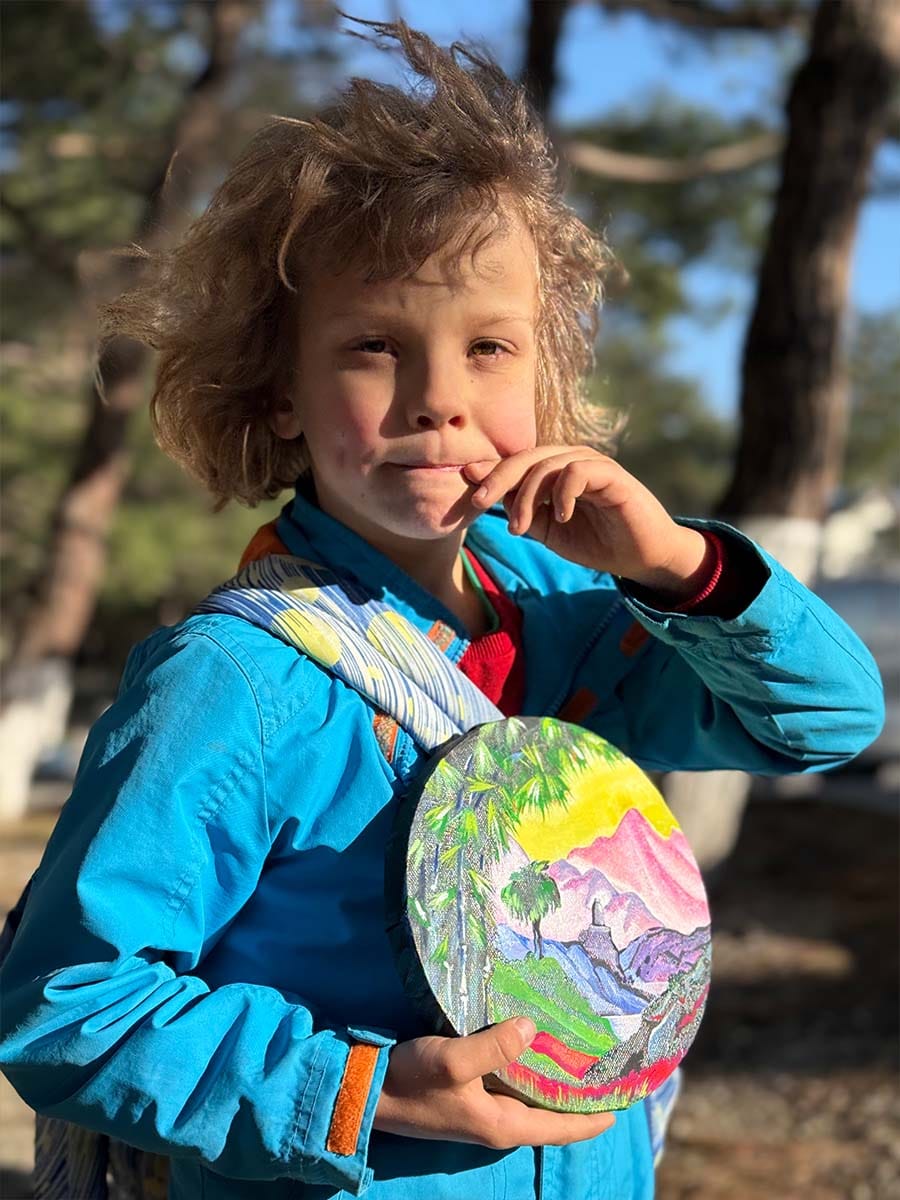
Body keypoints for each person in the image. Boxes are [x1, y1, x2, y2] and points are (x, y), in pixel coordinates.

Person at [0, 16, 884, 1200]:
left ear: (547, 375)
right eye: (375, 345)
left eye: (490, 348)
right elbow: (70, 1004)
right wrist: (363, 1094)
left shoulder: (581, 625)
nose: (438, 400)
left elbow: (825, 720)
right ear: (280, 391)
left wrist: (680, 566)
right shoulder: (235, 683)